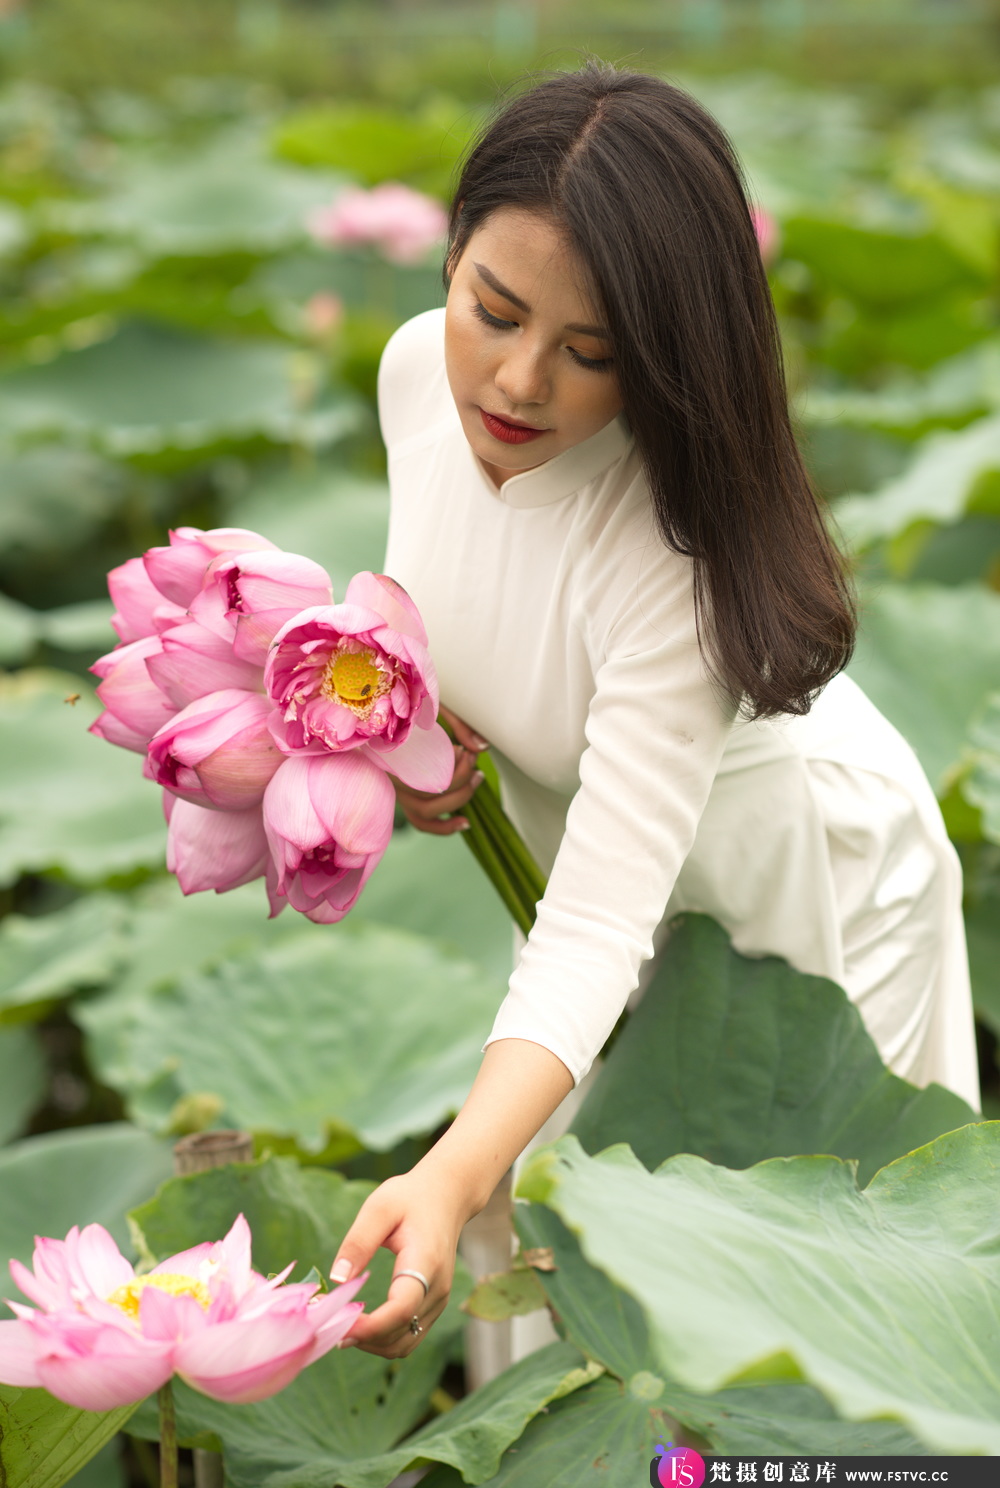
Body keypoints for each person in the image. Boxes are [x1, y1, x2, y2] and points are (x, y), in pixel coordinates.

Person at [329, 62, 980, 1360]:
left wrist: (451, 1171)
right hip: (587, 855)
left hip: (794, 872)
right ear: (450, 257)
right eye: (492, 309)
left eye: (592, 355)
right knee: (573, 1289)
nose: (516, 383)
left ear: (666, 359)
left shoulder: (668, 555)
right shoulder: (417, 376)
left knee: (790, 1314)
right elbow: (450, 599)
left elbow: (591, 934)